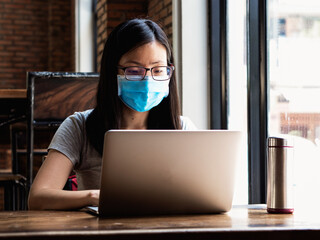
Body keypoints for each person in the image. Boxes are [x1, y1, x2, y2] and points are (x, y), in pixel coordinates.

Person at [28, 18, 196, 210]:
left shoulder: (183, 129)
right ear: (112, 72)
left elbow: (207, 195)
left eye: (158, 70)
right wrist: (93, 196)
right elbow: (38, 197)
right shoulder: (80, 126)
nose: (148, 81)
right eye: (134, 71)